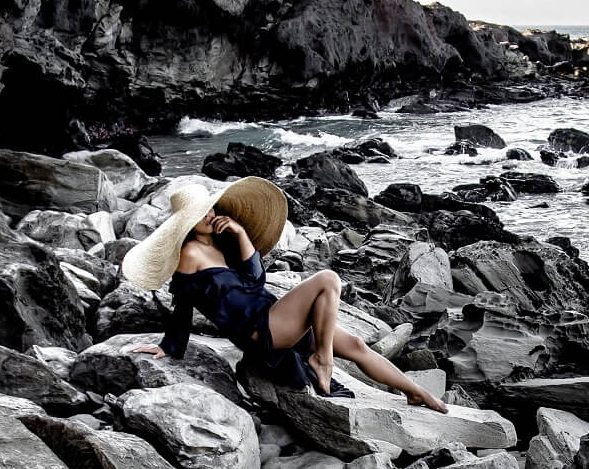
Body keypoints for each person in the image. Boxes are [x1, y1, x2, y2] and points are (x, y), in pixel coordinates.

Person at [121, 177, 447, 412]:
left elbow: (255, 279)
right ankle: (322, 360)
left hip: (272, 316)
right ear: (188, 224)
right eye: (201, 213)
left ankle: (414, 391)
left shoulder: (222, 243)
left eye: (209, 208)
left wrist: (239, 233)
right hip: (260, 331)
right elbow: (183, 303)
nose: (209, 215)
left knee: (356, 345)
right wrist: (169, 346)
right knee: (327, 279)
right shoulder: (190, 253)